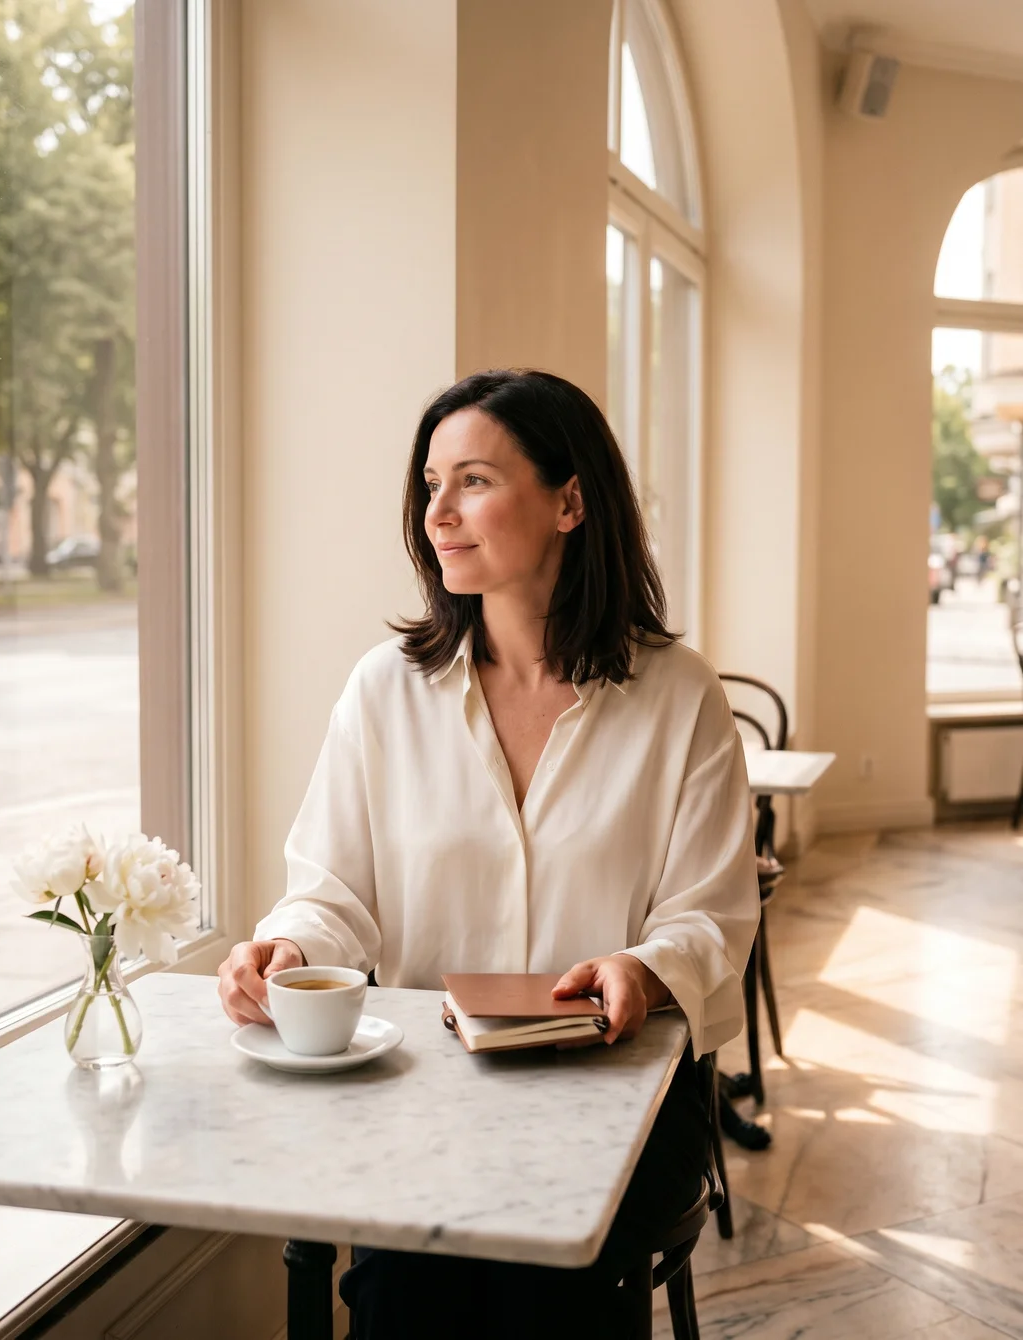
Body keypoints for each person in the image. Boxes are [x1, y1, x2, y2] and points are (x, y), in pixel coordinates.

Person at [217, 369, 760, 1338]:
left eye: (472, 479)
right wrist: (290, 949)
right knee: (406, 1286)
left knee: (546, 1274)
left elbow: (712, 912)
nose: (438, 511)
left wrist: (643, 965)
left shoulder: (681, 697)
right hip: (432, 1100)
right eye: (430, 484)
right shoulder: (384, 691)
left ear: (570, 499)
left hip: (621, 1093)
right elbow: (332, 888)